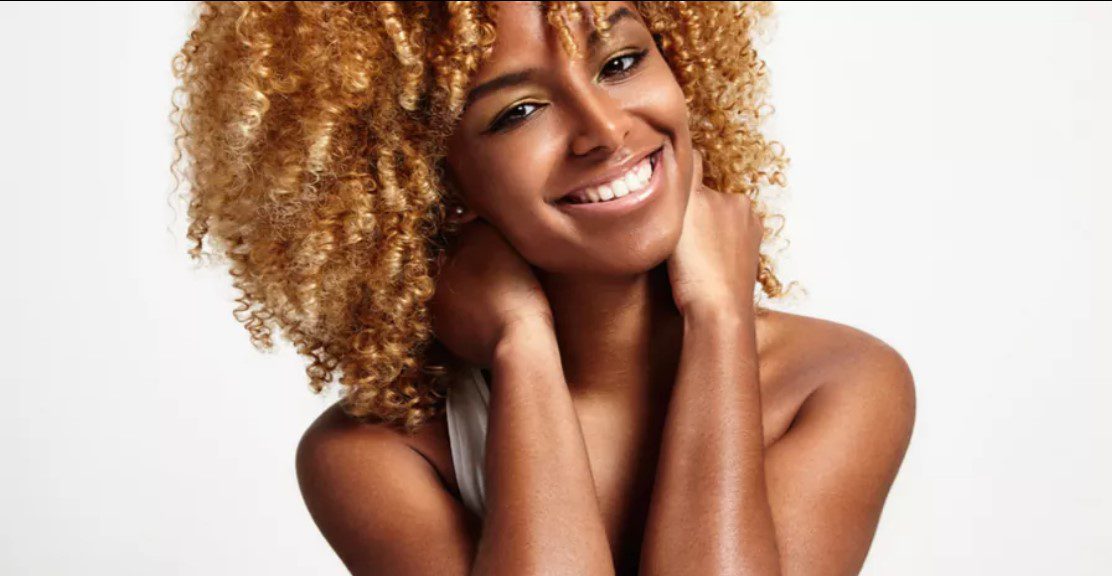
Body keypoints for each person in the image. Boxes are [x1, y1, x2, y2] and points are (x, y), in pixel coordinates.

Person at [171, 2, 916, 574]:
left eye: (621, 61)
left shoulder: (841, 384)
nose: (605, 129)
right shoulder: (379, 456)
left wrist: (720, 321)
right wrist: (520, 346)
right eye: (518, 111)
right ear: (434, 178)